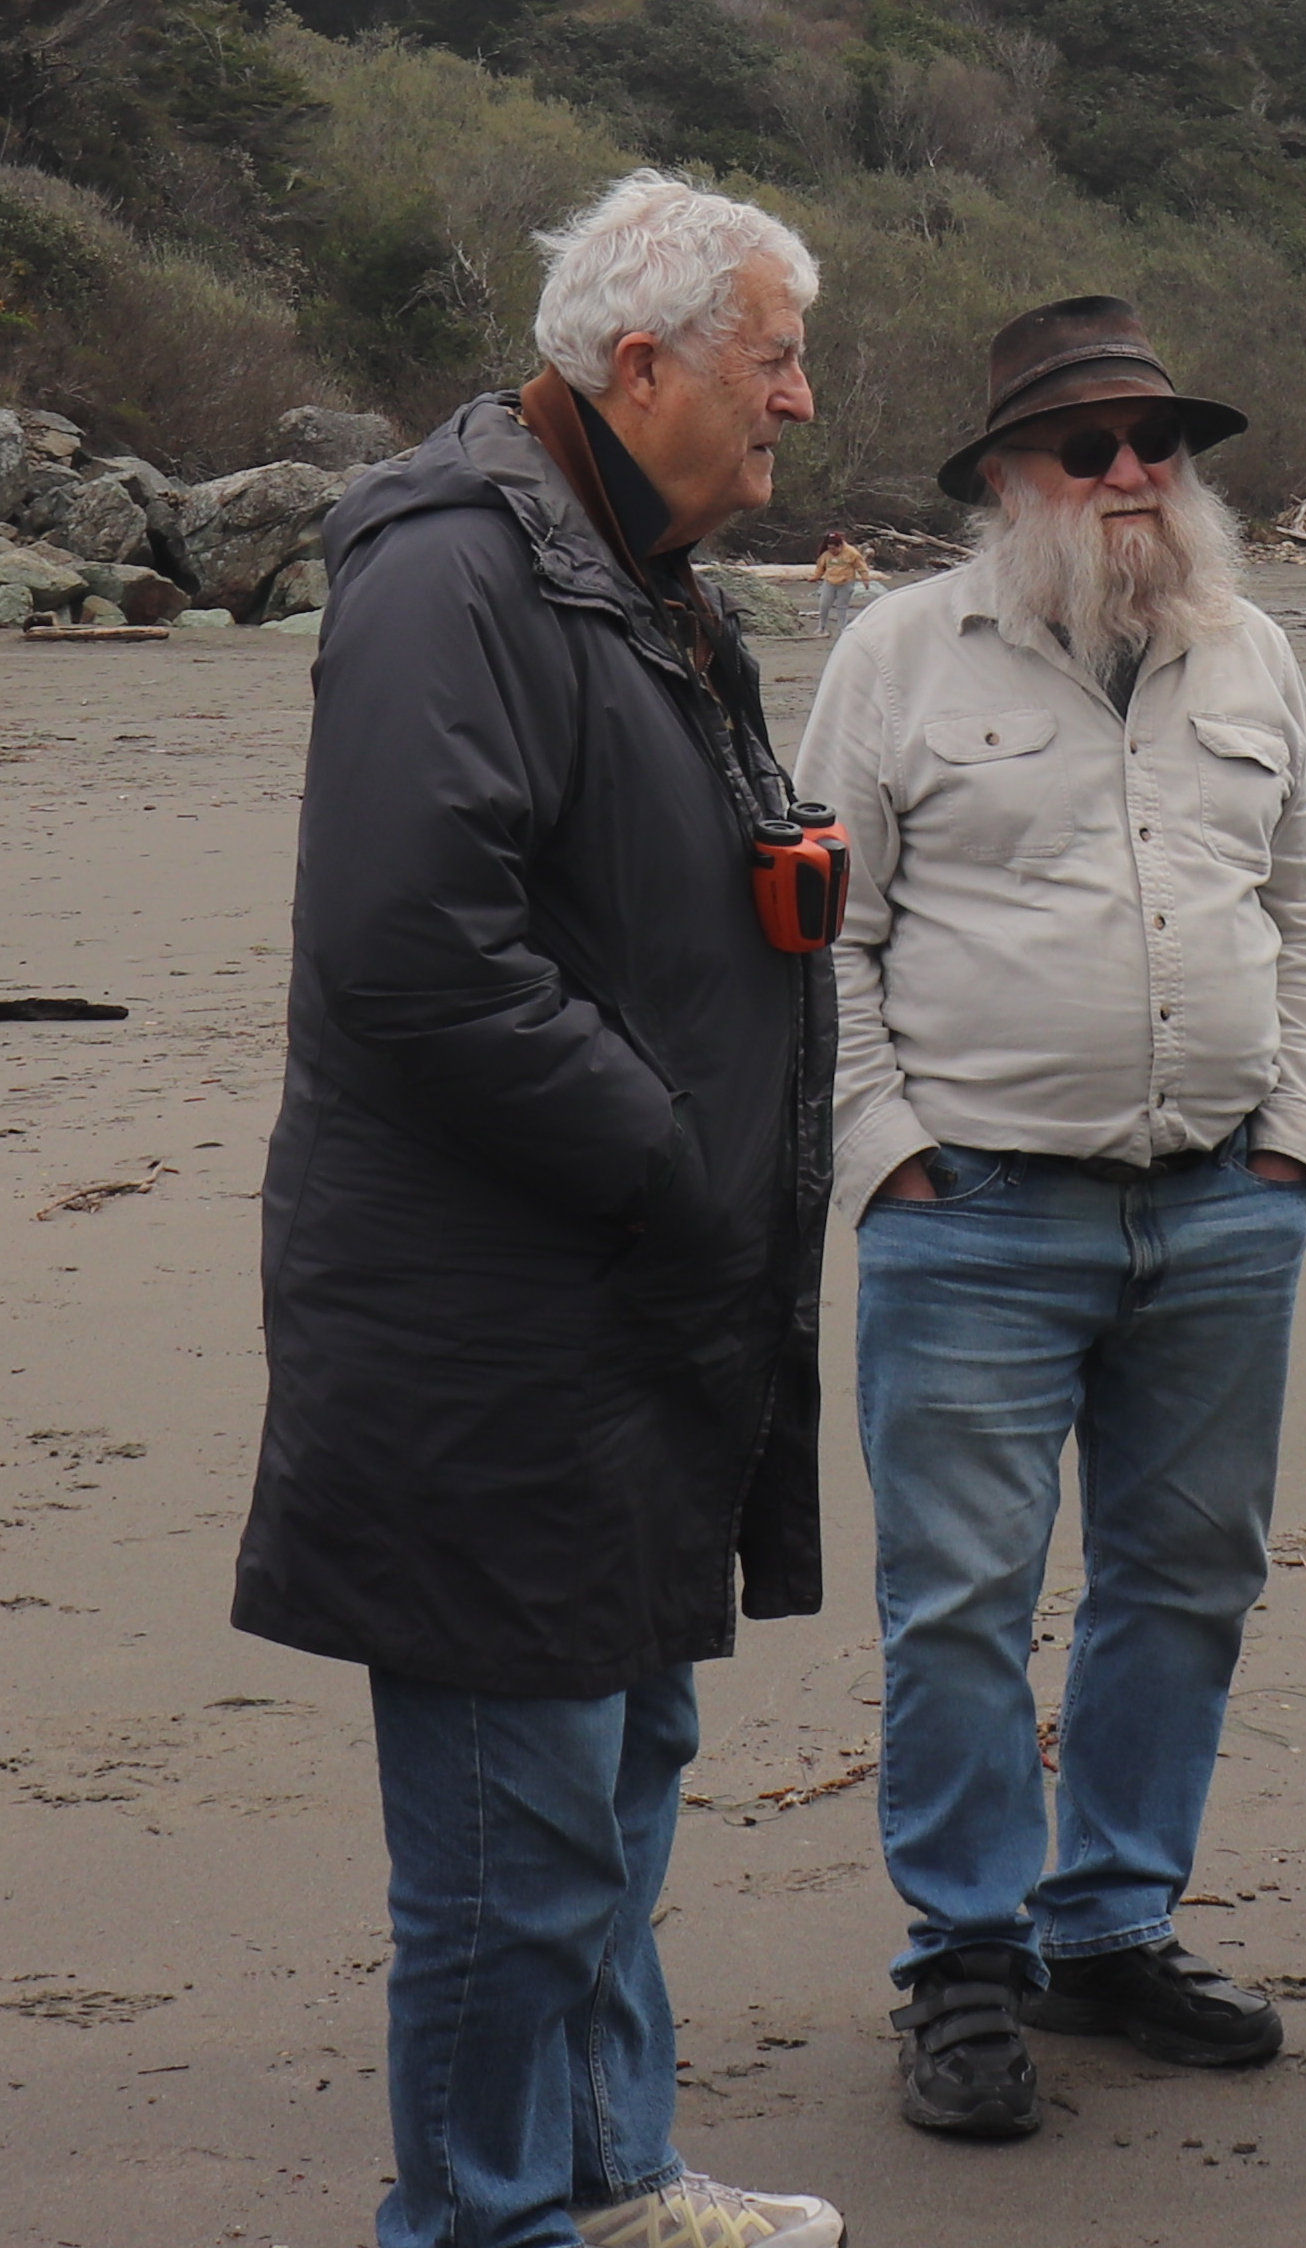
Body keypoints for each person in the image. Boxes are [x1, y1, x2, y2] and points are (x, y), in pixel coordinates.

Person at [231, 171, 844, 2248]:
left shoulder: (637, 577)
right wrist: (665, 1152)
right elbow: (413, 952)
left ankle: (609, 2176)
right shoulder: (454, 570)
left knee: (608, 1790)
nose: (800, 400)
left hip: (624, 1324)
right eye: (774, 362)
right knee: (510, 1853)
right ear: (640, 365)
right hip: (492, 1342)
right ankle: (486, 2221)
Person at [793, 295, 1306, 2140]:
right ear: (1005, 480)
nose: (1132, 472)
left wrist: (1296, 1143)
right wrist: (885, 1152)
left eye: (1158, 442)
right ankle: (964, 1961)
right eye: (1087, 446)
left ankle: (1112, 1924)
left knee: (1184, 1581)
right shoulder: (894, 655)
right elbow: (822, 940)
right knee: (961, 1603)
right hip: (969, 1215)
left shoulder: (1250, 652)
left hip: (1221, 1209)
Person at [812, 528, 871, 634]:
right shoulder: (826, 554)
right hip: (829, 582)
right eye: (830, 548)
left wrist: (865, 579)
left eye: (834, 549)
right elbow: (821, 567)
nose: (832, 551)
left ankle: (842, 629)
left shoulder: (852, 553)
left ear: (840, 546)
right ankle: (822, 627)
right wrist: (816, 577)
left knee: (841, 607)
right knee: (824, 605)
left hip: (846, 583)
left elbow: (861, 566)